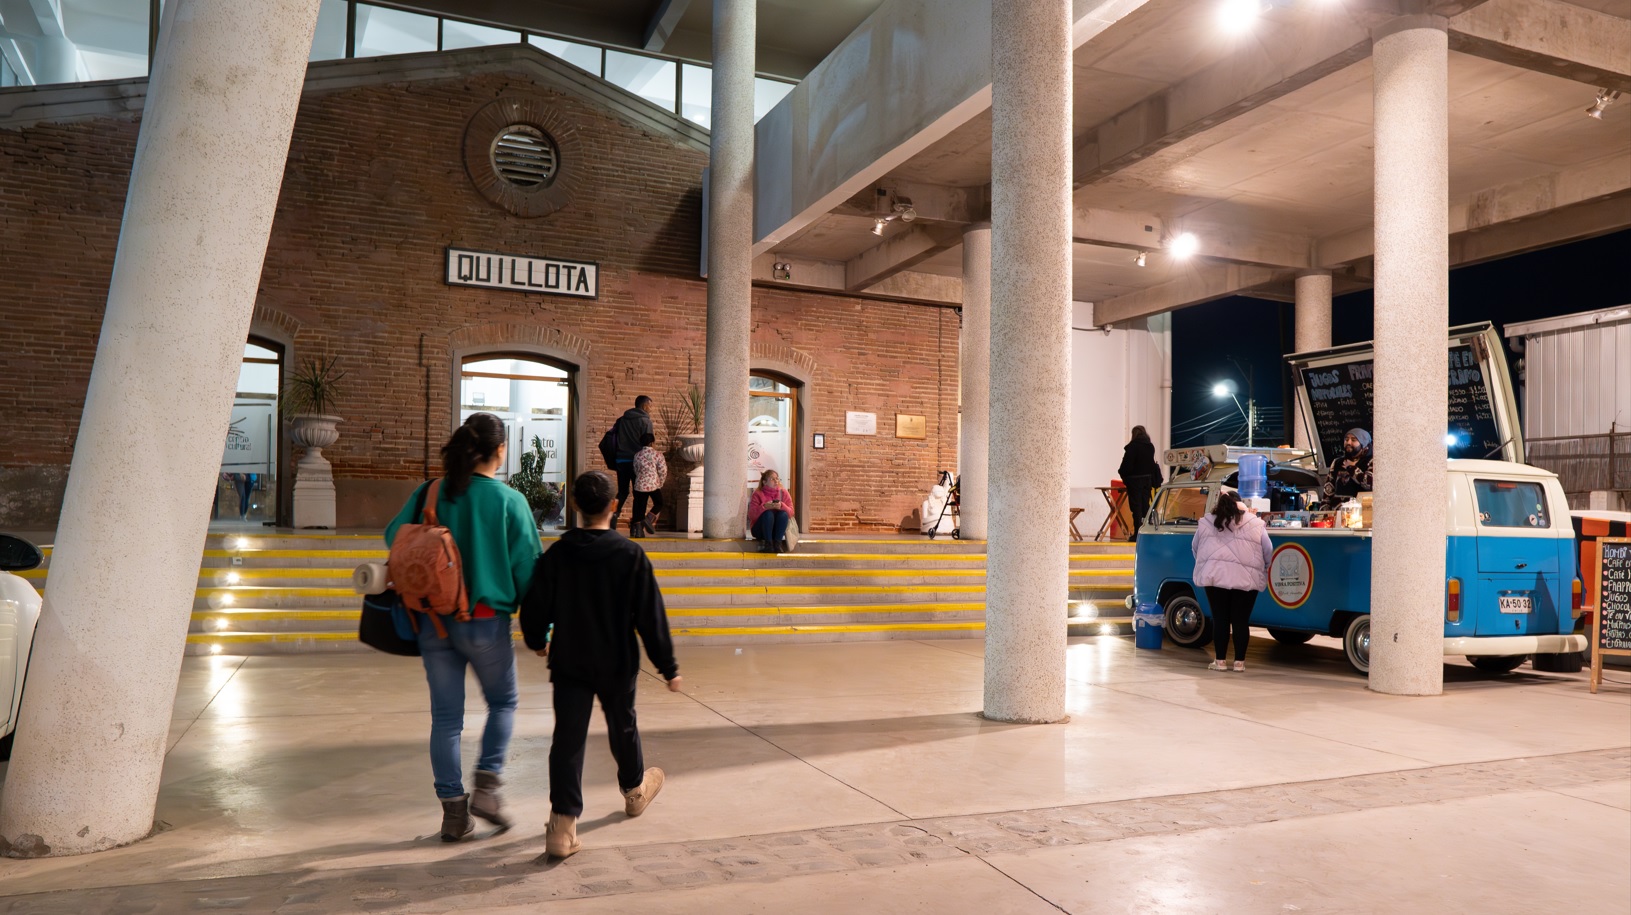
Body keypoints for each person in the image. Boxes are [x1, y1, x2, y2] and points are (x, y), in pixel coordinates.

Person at [384, 412, 541, 842]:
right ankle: (487, 790)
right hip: (487, 624)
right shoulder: (510, 502)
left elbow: (392, 537)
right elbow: (528, 573)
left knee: (447, 719)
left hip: (432, 621)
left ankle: (454, 813)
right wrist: (540, 631)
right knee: (503, 703)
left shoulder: (429, 492)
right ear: (500, 450)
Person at [520, 470, 681, 860]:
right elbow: (650, 617)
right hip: (616, 661)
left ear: (574, 505)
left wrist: (538, 640)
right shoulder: (630, 555)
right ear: (614, 506)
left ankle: (562, 824)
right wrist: (668, 666)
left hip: (570, 660)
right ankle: (633, 790)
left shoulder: (558, 554)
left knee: (568, 739)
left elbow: (534, 604)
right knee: (622, 726)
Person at [1191, 490, 1272, 672]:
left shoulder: (1206, 522)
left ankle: (1220, 662)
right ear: (1241, 503)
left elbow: (1195, 548)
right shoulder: (1256, 523)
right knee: (1241, 621)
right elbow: (1268, 549)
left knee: (1220, 619)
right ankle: (1239, 663)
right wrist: (1262, 567)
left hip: (1215, 577)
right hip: (1246, 579)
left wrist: (1208, 563)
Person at [611, 395, 654, 531]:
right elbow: (648, 444)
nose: (651, 409)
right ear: (644, 405)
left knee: (622, 492)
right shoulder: (646, 421)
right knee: (639, 494)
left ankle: (612, 514)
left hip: (621, 460)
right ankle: (636, 525)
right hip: (638, 461)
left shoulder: (622, 419)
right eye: (650, 405)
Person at [1116, 426, 1163, 543]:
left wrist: (1123, 475)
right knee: (1145, 506)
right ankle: (1146, 531)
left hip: (1134, 482)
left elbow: (1126, 466)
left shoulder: (1132, 447)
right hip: (1147, 481)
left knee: (1136, 508)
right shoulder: (1150, 447)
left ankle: (1137, 533)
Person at [1321, 428, 1374, 509]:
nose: (1348, 442)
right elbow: (1328, 491)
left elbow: (1369, 484)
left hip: (1361, 513)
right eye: (1346, 439)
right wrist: (1324, 512)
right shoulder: (1337, 462)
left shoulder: (1372, 461)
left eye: (1353, 440)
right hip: (1337, 513)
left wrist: (1351, 468)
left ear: (1364, 444)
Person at [630, 432, 667, 538]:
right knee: (659, 503)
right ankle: (649, 518)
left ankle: (638, 532)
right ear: (652, 443)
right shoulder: (657, 455)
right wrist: (661, 482)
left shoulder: (637, 455)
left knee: (639, 508)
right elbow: (663, 470)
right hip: (653, 484)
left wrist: (640, 478)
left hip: (639, 484)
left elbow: (635, 469)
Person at [747, 469, 794, 553]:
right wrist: (764, 507)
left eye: (777, 478)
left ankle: (777, 544)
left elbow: (791, 513)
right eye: (772, 479)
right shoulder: (757, 494)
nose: (776, 481)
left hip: (777, 531)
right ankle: (768, 544)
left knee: (783, 514)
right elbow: (751, 515)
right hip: (760, 530)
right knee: (768, 514)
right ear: (764, 482)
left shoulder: (783, 492)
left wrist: (782, 506)